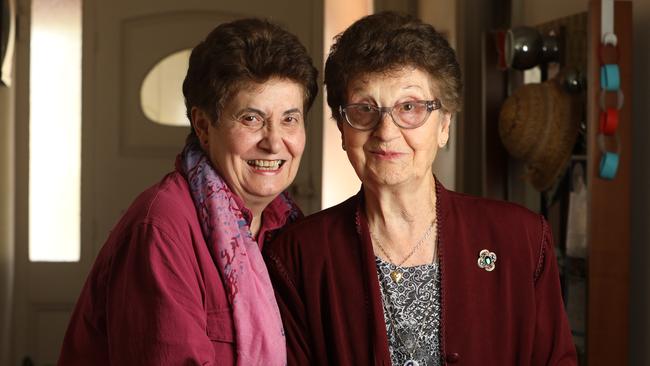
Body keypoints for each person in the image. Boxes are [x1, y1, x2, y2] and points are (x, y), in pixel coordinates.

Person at [263, 12, 577, 366]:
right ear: (342, 130)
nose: (386, 131)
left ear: (444, 125)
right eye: (365, 109)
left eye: (409, 107)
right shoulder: (298, 255)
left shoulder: (522, 238)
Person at [58, 18, 318, 365]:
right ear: (203, 126)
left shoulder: (285, 226)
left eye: (289, 119)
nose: (274, 142)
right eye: (251, 118)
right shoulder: (162, 229)